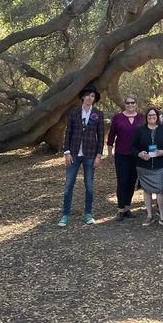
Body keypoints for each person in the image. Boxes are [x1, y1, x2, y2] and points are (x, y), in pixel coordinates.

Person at [58, 86, 104, 227]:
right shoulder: (74, 113)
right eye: (88, 95)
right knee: (68, 185)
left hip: (90, 155)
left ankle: (88, 214)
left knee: (89, 186)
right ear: (83, 97)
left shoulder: (98, 114)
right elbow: (68, 133)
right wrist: (66, 152)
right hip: (74, 154)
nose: (90, 98)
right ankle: (65, 215)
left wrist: (99, 155)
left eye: (93, 96)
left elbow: (101, 136)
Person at [131, 108, 163, 227]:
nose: (152, 117)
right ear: (146, 117)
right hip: (144, 166)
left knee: (160, 191)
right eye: (149, 115)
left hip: (160, 165)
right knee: (147, 191)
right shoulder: (140, 130)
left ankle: (162, 217)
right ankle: (149, 216)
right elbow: (133, 147)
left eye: (154, 115)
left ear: (157, 116)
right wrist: (140, 154)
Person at [107, 94, 145, 221]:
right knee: (122, 181)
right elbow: (111, 136)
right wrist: (110, 153)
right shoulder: (118, 118)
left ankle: (128, 208)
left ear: (136, 104)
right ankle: (120, 209)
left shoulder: (141, 118)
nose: (130, 105)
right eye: (128, 103)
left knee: (132, 181)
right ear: (125, 104)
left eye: (132, 103)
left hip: (136, 155)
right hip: (121, 154)